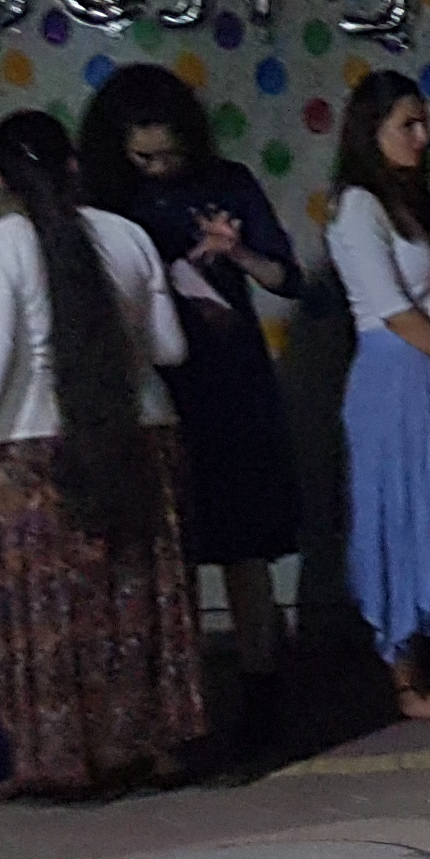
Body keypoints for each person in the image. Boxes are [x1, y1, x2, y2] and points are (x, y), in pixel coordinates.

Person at [0, 109, 202, 790]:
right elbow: (171, 348)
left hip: (29, 456)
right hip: (141, 434)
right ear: (73, 168)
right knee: (133, 596)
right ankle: (149, 745)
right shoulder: (128, 235)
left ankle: (63, 761)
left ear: (0, 182)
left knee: (49, 606)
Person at [81, 64, 303, 690]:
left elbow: (287, 278)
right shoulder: (105, 201)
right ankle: (178, 684)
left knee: (244, 537)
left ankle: (262, 676)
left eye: (169, 156)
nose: (157, 169)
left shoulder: (227, 183)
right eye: (143, 158)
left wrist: (238, 253)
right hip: (151, 387)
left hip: (231, 380)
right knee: (163, 542)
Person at [326, 74, 430, 720]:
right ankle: (406, 679)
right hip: (391, 374)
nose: (422, 138)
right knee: (399, 518)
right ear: (371, 131)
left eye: (424, 124)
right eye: (407, 125)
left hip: (424, 372)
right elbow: (394, 311)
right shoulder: (357, 206)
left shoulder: (401, 206)